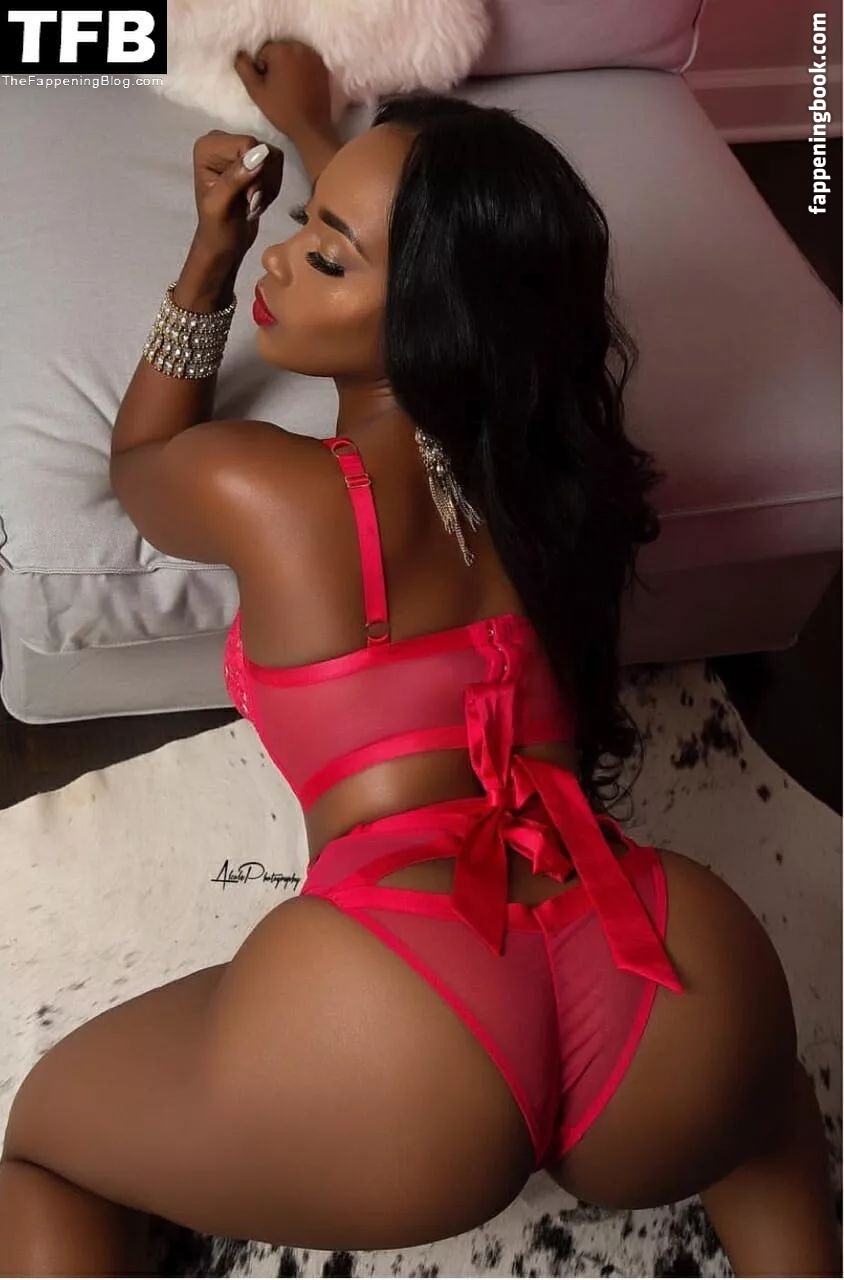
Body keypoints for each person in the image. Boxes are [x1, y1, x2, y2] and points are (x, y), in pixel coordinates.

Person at [1, 40, 839, 1277]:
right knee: (765, 1116)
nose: (286, 253)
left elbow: (141, 462)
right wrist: (317, 133)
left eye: (324, 252)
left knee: (45, 1144)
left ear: (429, 321)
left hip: (403, 1017)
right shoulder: (558, 485)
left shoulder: (271, 494)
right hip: (662, 967)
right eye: (300, 230)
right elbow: (438, 256)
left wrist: (211, 258)